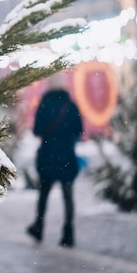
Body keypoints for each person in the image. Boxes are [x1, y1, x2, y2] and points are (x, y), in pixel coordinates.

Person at [27, 88, 83, 247]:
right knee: (68, 196)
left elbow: (37, 130)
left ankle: (39, 227)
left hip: (48, 155)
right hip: (66, 155)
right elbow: (79, 130)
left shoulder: (44, 104)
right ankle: (68, 233)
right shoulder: (71, 105)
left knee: (43, 194)